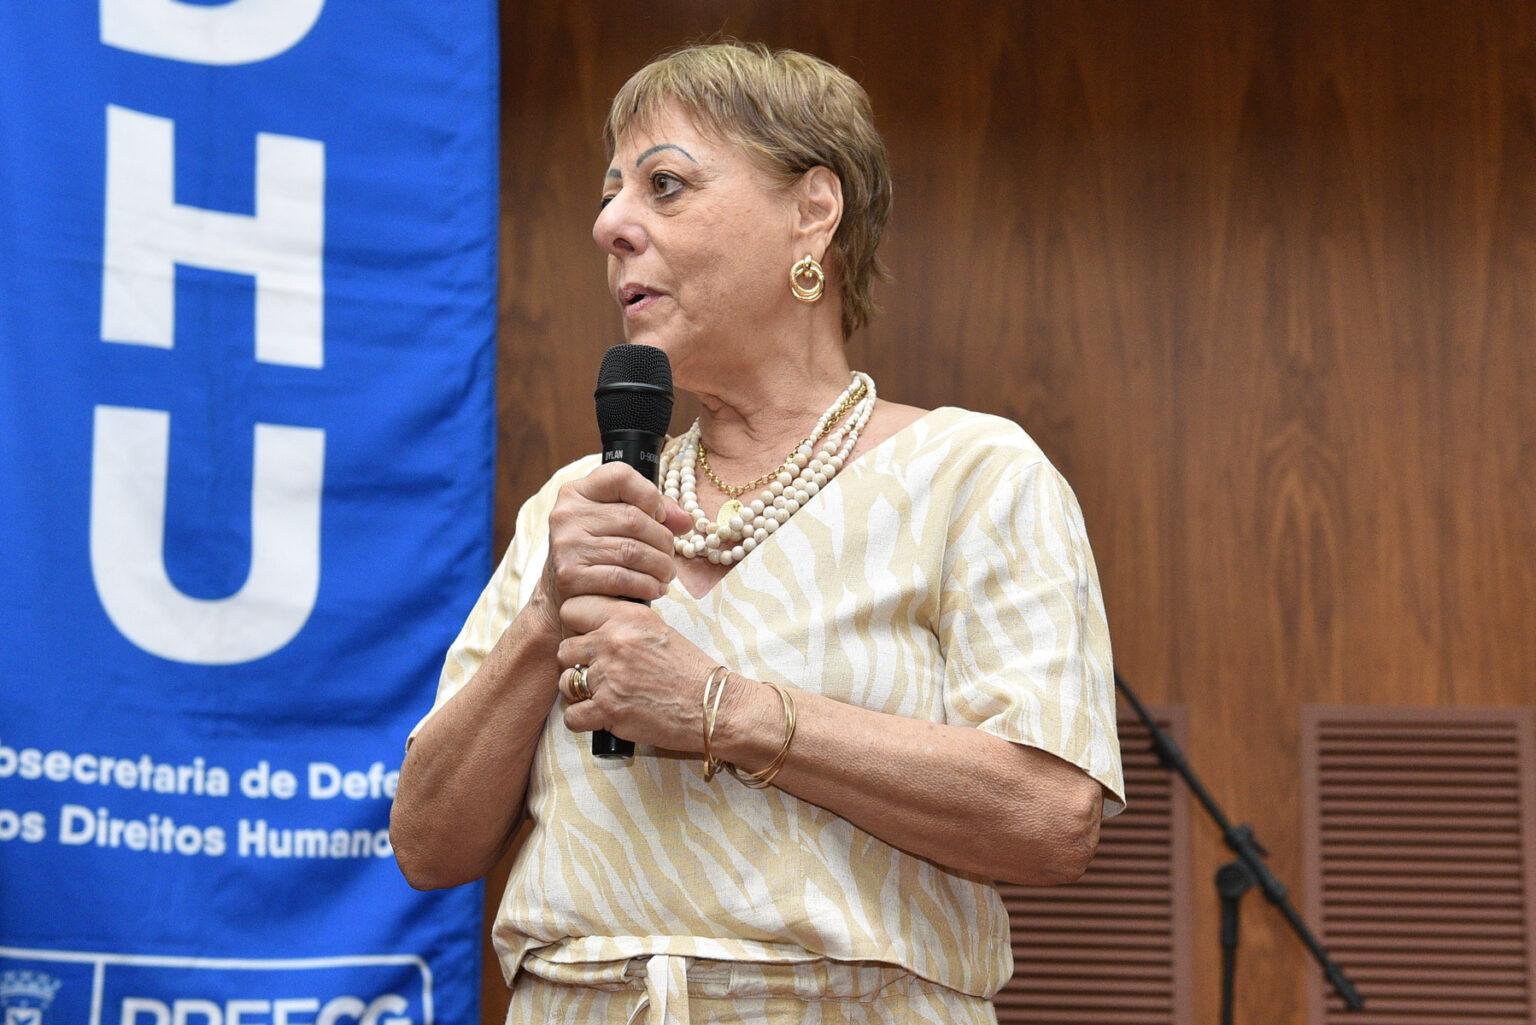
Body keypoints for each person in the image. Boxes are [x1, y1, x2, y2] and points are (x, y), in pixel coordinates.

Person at [390, 39, 1126, 1025]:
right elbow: (428, 843)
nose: (611, 224)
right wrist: (543, 621)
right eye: (611, 194)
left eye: (665, 185)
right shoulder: (581, 503)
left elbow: (1050, 817)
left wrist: (720, 708)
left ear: (812, 212)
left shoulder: (974, 476)